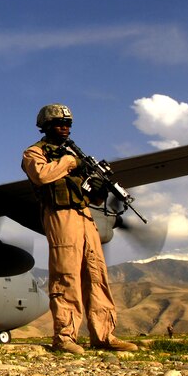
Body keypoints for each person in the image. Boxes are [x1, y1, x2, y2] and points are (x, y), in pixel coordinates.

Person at [21, 103, 138, 355]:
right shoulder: (35, 153)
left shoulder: (75, 155)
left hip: (85, 215)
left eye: (68, 124)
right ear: (46, 126)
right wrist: (70, 162)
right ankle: (64, 337)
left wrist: (98, 186)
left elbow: (93, 197)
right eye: (58, 124)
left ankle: (104, 335)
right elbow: (40, 176)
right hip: (60, 214)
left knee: (96, 274)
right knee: (66, 274)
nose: (64, 128)